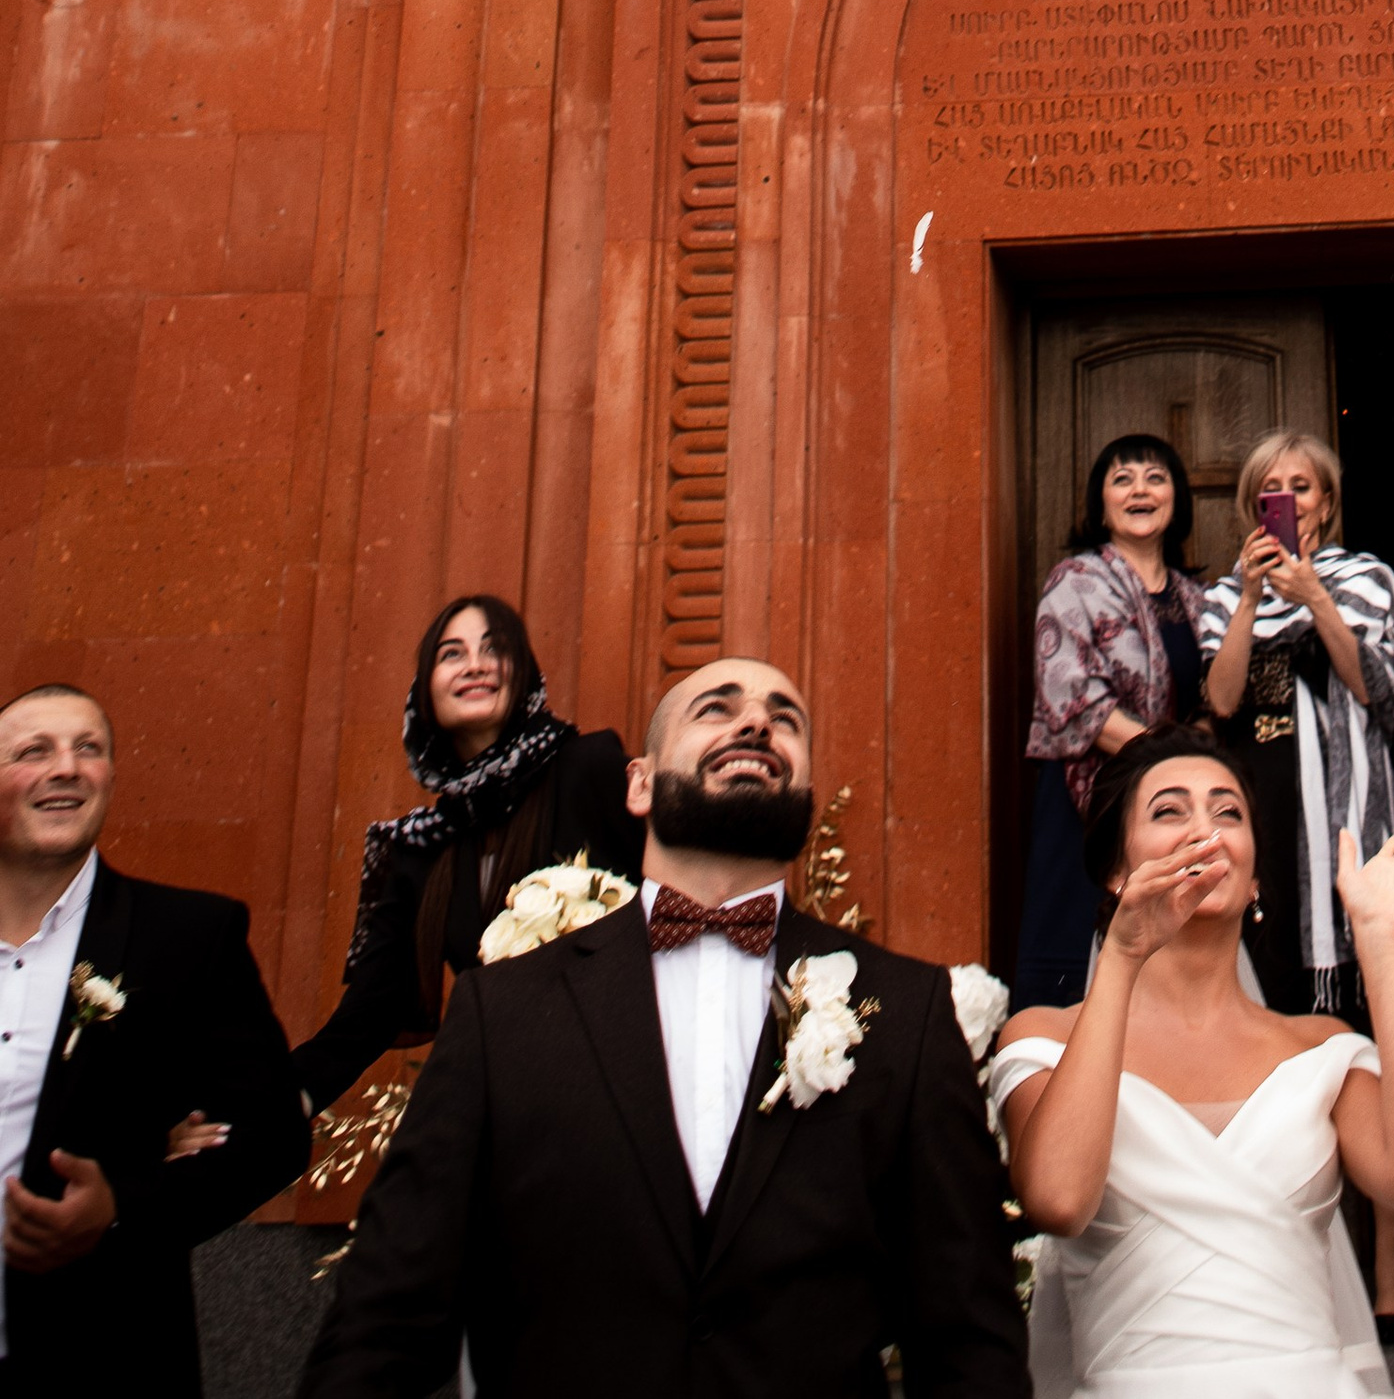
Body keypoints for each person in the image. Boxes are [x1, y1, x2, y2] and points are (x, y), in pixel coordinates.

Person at [302, 648, 1029, 1399]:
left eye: (786, 720)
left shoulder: (906, 1014)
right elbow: (387, 1315)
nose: (757, 722)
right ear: (639, 785)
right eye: (717, 708)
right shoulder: (501, 1012)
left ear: (806, 788)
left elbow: (969, 1338)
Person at [990, 721, 1394, 1399]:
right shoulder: (1042, 1039)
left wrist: (1383, 942)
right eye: (1168, 810)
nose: (1203, 829)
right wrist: (1123, 957)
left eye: (1228, 811)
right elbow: (1059, 1201)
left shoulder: (1318, 1048)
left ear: (1254, 881)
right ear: (1117, 869)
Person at [0, 678, 309, 1396]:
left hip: (101, 1352)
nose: (67, 767)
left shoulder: (186, 938)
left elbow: (272, 1135)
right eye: (33, 751)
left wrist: (122, 1207)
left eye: (89, 748)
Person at [1198, 426, 1394, 1332]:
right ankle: (1290, 1262)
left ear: (1325, 502)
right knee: (1275, 1047)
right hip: (1265, 829)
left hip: (1348, 831)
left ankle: (1392, 1257)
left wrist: (1313, 594)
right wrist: (1254, 598)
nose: (1285, 500)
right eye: (1268, 490)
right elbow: (1217, 702)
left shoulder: (1365, 577)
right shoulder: (1221, 593)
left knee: (1373, 1043)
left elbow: (1374, 686)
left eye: (1301, 486)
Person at [291, 590, 642, 1123]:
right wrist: (273, 1099)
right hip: (509, 1103)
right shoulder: (418, 846)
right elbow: (367, 1015)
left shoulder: (588, 768)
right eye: (451, 653)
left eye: (493, 648)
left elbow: (678, 903)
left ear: (522, 672)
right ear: (424, 691)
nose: (474, 665)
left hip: (626, 1085)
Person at [1019, 436, 1209, 1010]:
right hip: (1088, 805)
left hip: (1173, 807)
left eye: (1155, 478)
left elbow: (1211, 703)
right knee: (1076, 967)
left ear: (1176, 500)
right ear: (1101, 506)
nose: (1140, 490)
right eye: (1122, 479)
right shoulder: (1072, 582)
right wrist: (1172, 757)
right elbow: (1073, 698)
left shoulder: (1198, 598)